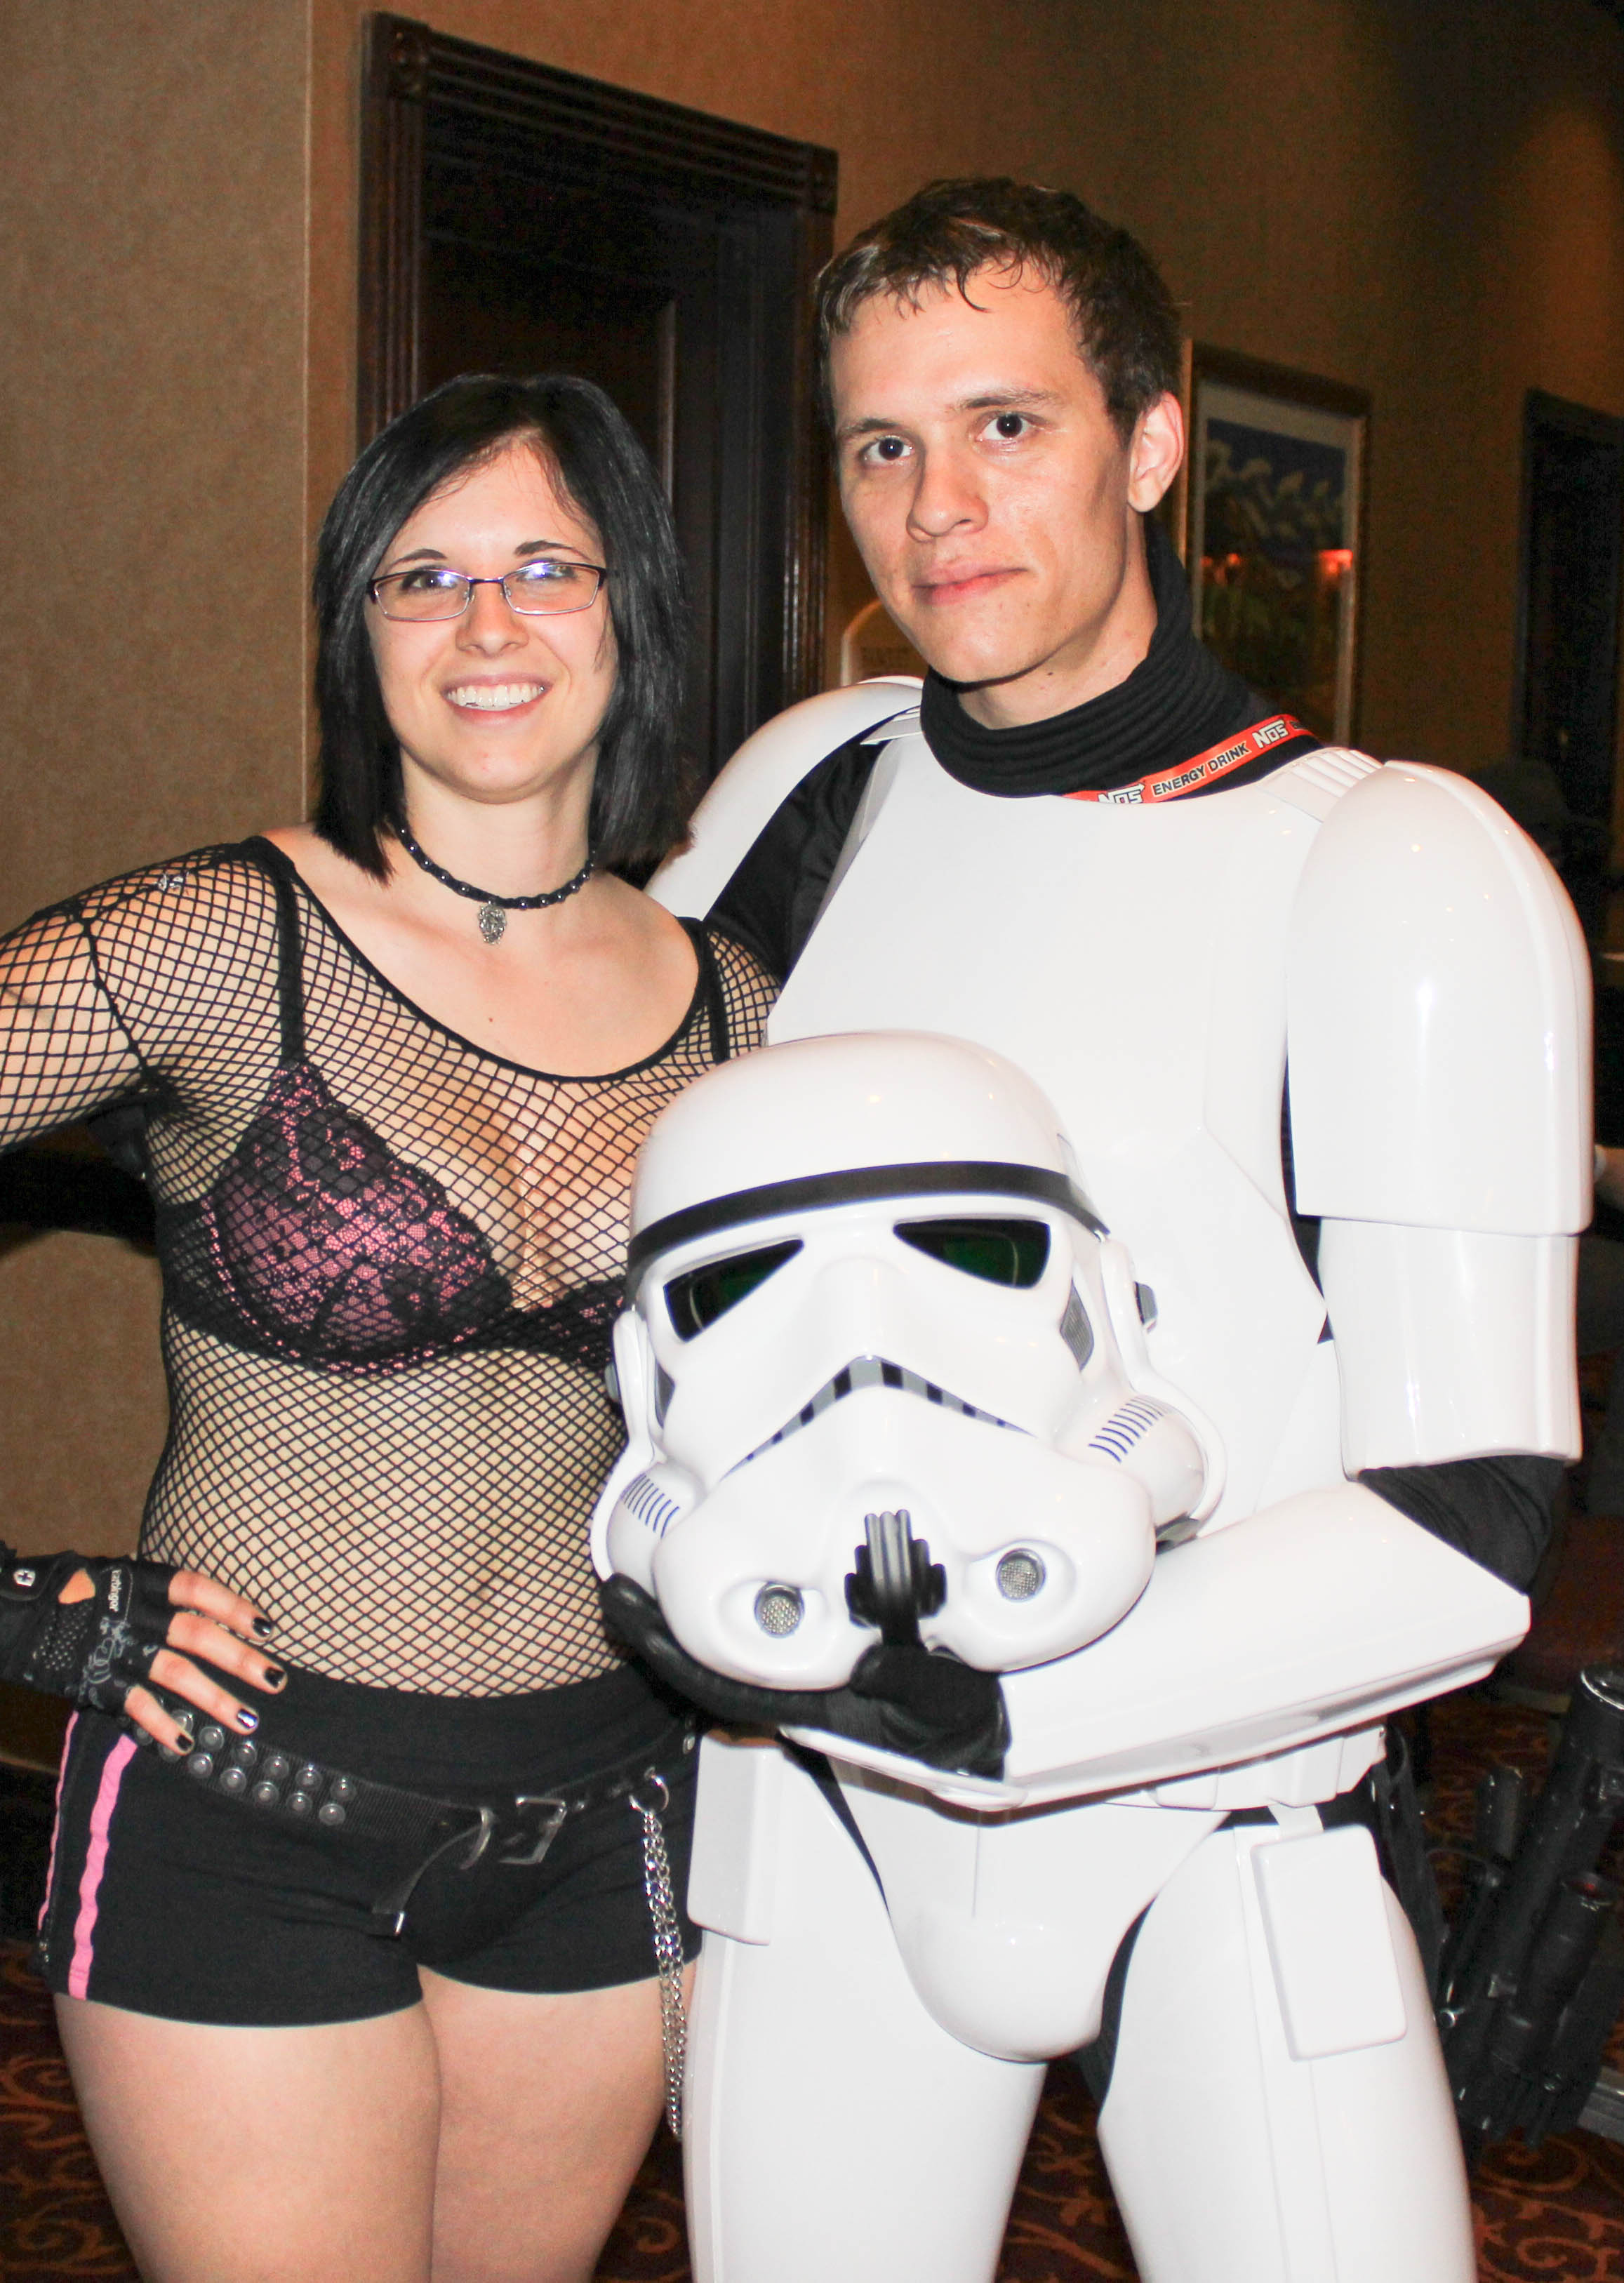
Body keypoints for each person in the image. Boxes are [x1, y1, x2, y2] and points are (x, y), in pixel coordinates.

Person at [632, 179, 1588, 2282]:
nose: (939, 508)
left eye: (1008, 425)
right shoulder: (813, 791)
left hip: (1223, 1821)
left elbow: (1470, 1514)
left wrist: (1000, 1714)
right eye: (882, 446)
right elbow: (634, 1242)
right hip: (820, 1824)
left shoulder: (1394, 867)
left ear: (1151, 443)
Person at [0, 372, 773, 2283]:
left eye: (545, 568)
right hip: (243, 1799)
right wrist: (13, 1607)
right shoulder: (216, 942)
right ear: (359, 632)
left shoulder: (741, 1015)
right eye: (422, 578)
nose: (486, 623)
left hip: (606, 1807)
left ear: (633, 608)